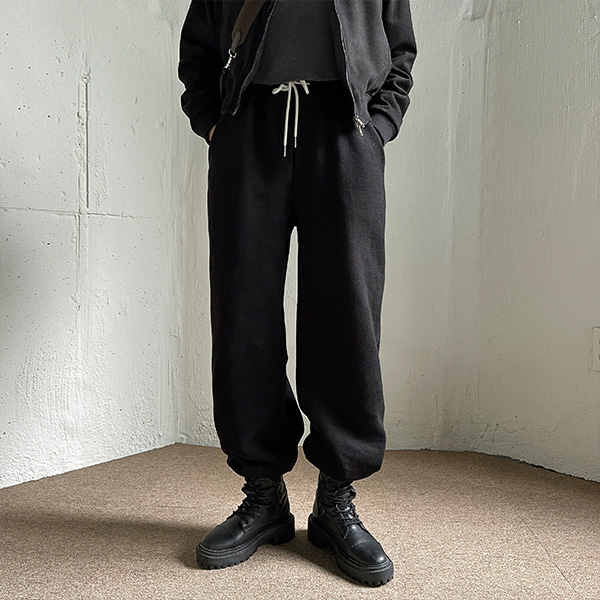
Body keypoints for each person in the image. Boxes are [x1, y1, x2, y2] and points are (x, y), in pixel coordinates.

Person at [178, 0, 417, 587]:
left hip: (345, 127)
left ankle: (336, 499)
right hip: (249, 126)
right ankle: (263, 494)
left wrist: (380, 126)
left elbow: (399, 50)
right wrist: (215, 124)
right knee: (243, 312)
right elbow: (198, 48)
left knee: (347, 312)